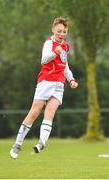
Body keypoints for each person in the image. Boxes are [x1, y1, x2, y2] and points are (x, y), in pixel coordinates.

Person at [10, 16, 78, 159]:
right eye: (59, 31)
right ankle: (17, 144)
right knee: (34, 112)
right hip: (46, 81)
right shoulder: (49, 43)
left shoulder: (66, 46)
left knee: (50, 113)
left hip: (59, 84)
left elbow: (65, 66)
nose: (61, 34)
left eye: (64, 31)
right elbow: (44, 60)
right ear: (53, 30)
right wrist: (55, 52)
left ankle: (42, 143)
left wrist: (71, 79)